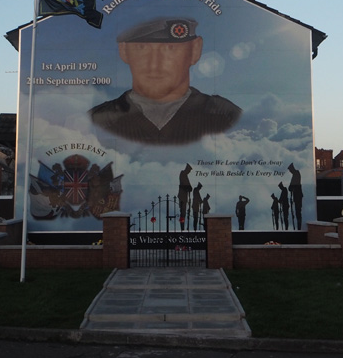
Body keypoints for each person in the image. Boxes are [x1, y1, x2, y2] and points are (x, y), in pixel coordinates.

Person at [89, 17, 241, 145]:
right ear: (123, 51)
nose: (155, 64)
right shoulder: (95, 121)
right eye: (142, 48)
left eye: (170, 48)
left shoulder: (227, 116)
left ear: (195, 50)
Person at [177, 163, 193, 230]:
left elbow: (190, 187)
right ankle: (182, 227)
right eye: (189, 170)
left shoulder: (185, 175)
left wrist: (189, 188)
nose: (189, 172)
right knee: (182, 213)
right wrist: (188, 188)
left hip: (185, 196)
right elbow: (184, 185)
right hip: (182, 196)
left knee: (184, 213)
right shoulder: (183, 174)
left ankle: (183, 226)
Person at [288, 163, 303, 228]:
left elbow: (292, 186)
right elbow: (290, 187)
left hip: (298, 196)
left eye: (290, 170)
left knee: (298, 211)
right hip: (296, 196)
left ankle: (299, 226)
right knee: (297, 211)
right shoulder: (295, 174)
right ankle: (298, 225)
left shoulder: (296, 174)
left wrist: (292, 188)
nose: (290, 171)